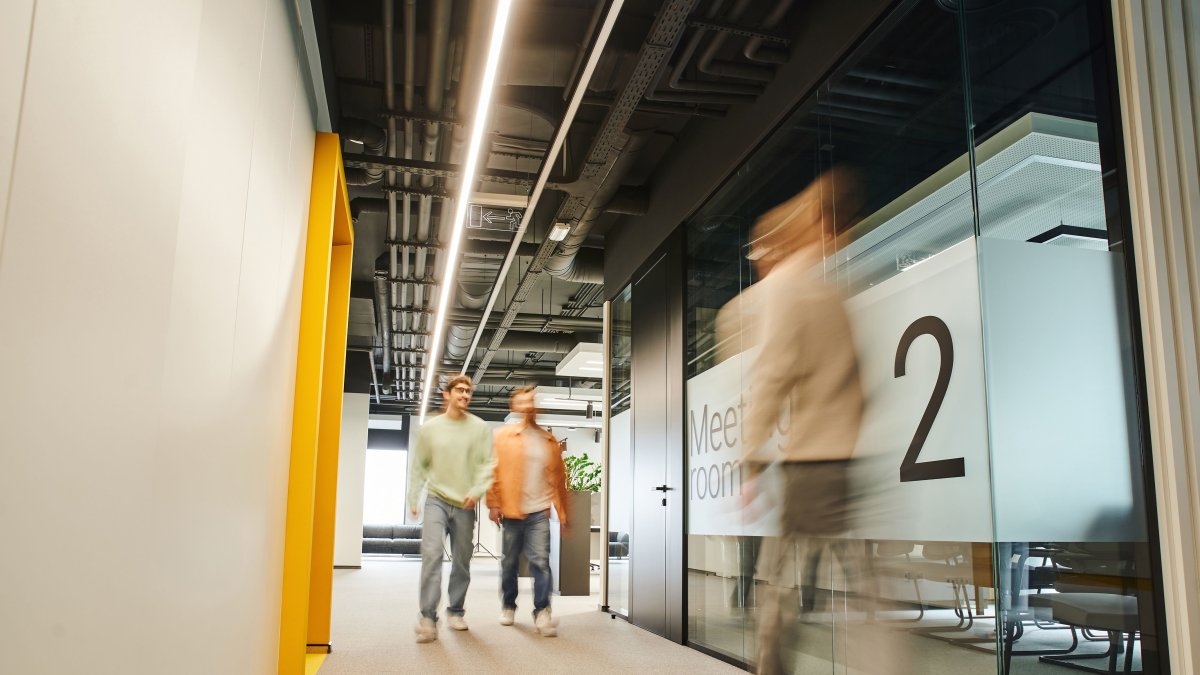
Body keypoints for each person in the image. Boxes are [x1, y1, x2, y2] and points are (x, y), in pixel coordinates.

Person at [737, 167, 867, 675]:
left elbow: (772, 376)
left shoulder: (790, 287)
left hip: (811, 464)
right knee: (857, 585)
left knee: (779, 583)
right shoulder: (833, 288)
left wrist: (750, 458)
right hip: (843, 463)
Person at [407, 375, 495, 643]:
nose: (465, 395)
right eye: (460, 390)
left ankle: (456, 610)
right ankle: (427, 617)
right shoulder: (430, 429)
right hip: (436, 499)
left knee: (462, 561)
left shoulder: (480, 428)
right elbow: (420, 465)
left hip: (465, 504)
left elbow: (487, 464)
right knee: (431, 555)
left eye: (469, 391)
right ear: (447, 394)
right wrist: (413, 498)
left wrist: (477, 490)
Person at [486, 386, 569, 637]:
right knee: (509, 563)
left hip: (538, 512)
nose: (527, 407)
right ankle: (508, 605)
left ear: (536, 406)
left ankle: (542, 610)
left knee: (541, 563)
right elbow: (493, 471)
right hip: (512, 510)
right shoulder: (501, 437)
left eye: (531, 402)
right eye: (522, 403)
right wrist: (493, 503)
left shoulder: (548, 440)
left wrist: (562, 512)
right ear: (514, 407)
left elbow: (558, 478)